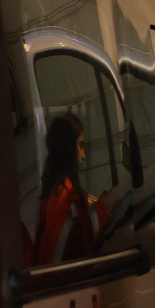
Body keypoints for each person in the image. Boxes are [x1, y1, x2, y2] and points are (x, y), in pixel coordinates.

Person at [33, 114, 104, 265]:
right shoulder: (67, 198)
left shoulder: (52, 193)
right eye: (80, 145)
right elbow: (79, 245)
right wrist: (106, 206)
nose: (84, 155)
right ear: (69, 148)